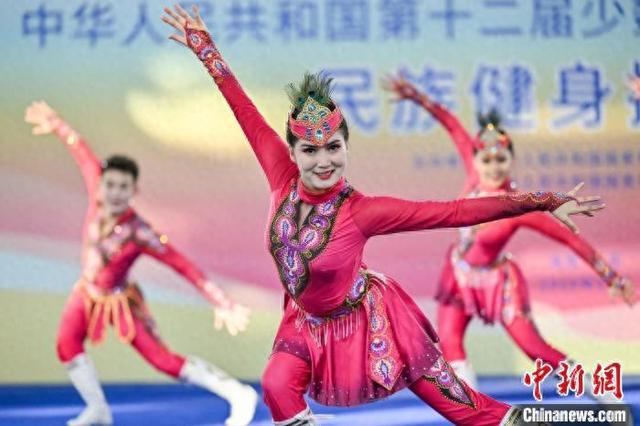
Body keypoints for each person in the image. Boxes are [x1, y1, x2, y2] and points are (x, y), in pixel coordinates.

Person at [161, 5, 605, 424]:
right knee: (277, 384)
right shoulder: (280, 175)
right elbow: (243, 109)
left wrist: (545, 200)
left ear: (346, 147)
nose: (323, 161)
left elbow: (454, 212)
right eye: (310, 150)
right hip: (303, 324)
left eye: (333, 148)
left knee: (468, 411)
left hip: (374, 323)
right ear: (293, 152)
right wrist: (205, 49)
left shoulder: (362, 211)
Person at [382, 75, 636, 392]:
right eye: (486, 160)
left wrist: (613, 279)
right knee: (450, 343)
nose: (493, 167)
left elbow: (571, 240)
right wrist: (416, 97)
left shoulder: (519, 206)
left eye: (501, 159)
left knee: (534, 349)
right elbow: (452, 124)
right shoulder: (474, 178)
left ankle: (602, 394)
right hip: (458, 276)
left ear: (511, 161)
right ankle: (474, 411)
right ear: (475, 160)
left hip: (499, 285)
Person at [24, 101, 257, 426]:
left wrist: (220, 301)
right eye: (110, 185)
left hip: (121, 301)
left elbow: (183, 265)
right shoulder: (96, 196)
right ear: (100, 185)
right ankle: (99, 410)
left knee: (162, 360)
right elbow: (81, 150)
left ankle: (237, 392)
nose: (115, 193)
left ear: (134, 190)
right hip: (86, 292)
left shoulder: (140, 233)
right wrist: (57, 124)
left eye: (124, 187)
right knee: (67, 344)